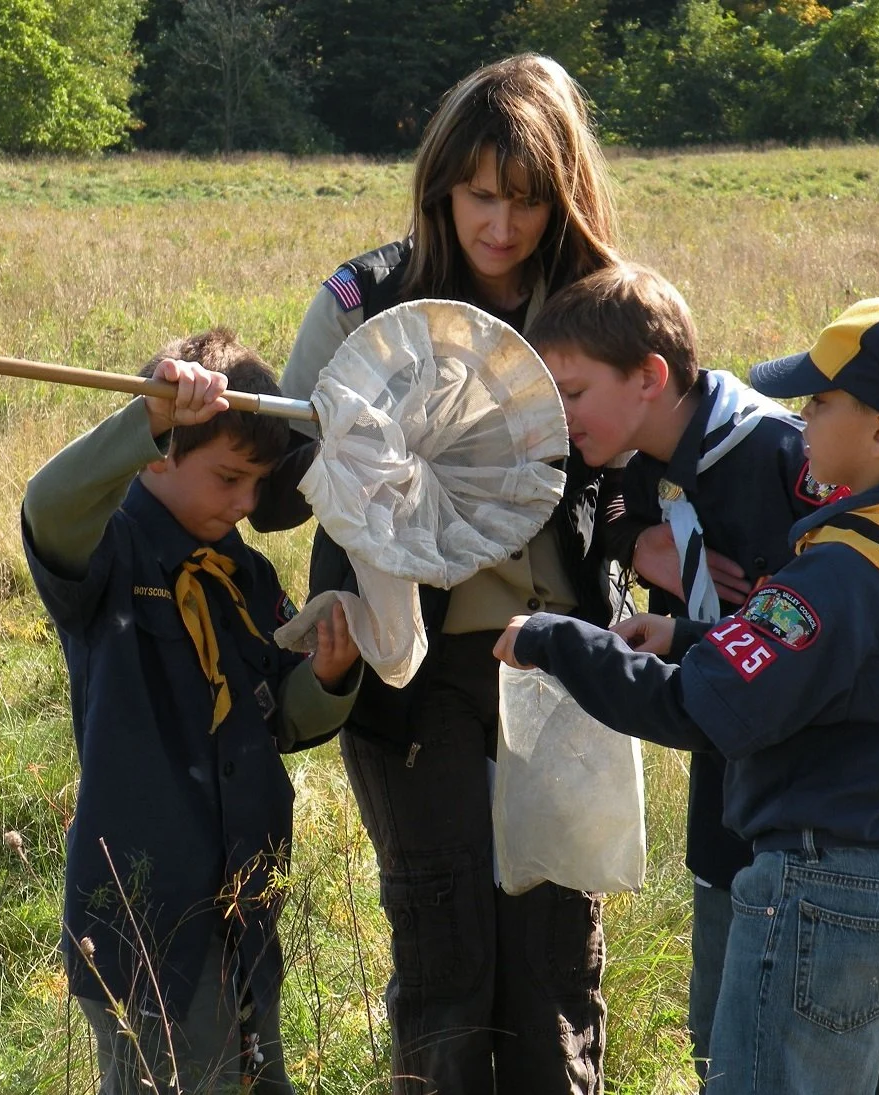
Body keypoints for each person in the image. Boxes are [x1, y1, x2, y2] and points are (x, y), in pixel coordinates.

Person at [495, 296, 879, 1094]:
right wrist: (687, 635)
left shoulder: (832, 574)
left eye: (822, 402)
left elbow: (700, 707)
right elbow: (842, 678)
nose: (801, 417)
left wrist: (556, 641)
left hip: (826, 893)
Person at [253, 55, 620, 1095]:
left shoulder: (594, 303)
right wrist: (285, 432)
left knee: (553, 966)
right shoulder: (366, 298)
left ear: (563, 195)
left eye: (527, 200)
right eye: (479, 196)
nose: (500, 225)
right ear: (441, 187)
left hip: (559, 669)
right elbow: (276, 494)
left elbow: (647, 453)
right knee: (446, 954)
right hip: (413, 679)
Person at [22, 329, 362, 1094]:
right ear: (158, 456)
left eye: (258, 483)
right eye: (230, 478)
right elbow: (47, 508)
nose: (247, 503)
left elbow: (281, 717)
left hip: (240, 908)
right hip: (143, 914)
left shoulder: (244, 573)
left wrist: (329, 676)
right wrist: (145, 418)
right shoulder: (108, 550)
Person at [526, 261, 839, 1083]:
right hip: (725, 800)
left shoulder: (781, 455)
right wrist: (640, 546)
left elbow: (812, 644)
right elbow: (615, 501)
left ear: (649, 377)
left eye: (573, 391)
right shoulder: (642, 450)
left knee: (778, 1046)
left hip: (806, 821)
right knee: (717, 1033)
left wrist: (688, 632)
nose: (561, 413)